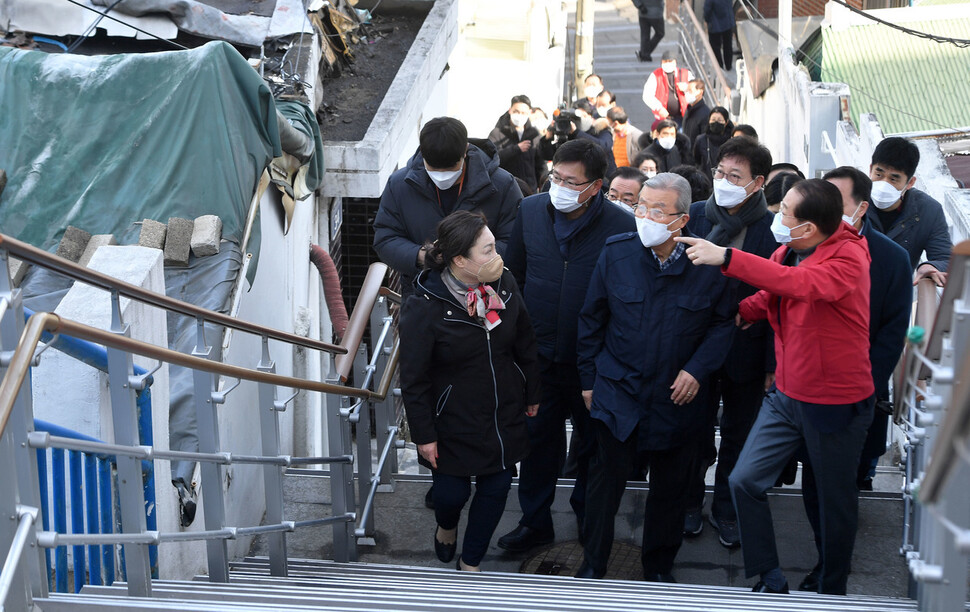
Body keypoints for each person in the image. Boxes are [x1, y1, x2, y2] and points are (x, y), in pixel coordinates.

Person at [677, 178, 875, 595]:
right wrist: (740, 311)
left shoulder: (848, 257)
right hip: (786, 395)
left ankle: (831, 584)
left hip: (834, 401)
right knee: (744, 480)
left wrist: (728, 257)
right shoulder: (790, 249)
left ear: (811, 227)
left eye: (786, 212)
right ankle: (768, 575)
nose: (778, 217)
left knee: (834, 502)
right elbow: (774, 292)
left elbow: (803, 285)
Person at [574, 173, 735, 580]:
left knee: (670, 491)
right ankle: (593, 564)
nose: (643, 215)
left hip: (676, 399)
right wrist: (589, 381)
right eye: (641, 206)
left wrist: (697, 370)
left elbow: (722, 326)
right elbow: (592, 319)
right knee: (603, 486)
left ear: (681, 219)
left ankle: (659, 570)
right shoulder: (617, 253)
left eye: (656, 210)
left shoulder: (708, 263)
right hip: (618, 392)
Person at [499, 139, 635, 553]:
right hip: (538, 356)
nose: (559, 185)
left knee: (592, 446)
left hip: (593, 362)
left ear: (595, 187)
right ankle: (535, 522)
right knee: (538, 442)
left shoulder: (621, 226)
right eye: (555, 176)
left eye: (570, 181)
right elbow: (515, 276)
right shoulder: (530, 210)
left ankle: (587, 519)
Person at [786, 167, 912, 593]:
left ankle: (834, 572)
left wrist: (867, 388)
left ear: (860, 208)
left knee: (843, 485)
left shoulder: (890, 257)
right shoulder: (800, 246)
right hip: (806, 388)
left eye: (834, 204)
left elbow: (891, 333)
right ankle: (825, 559)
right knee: (814, 479)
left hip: (857, 394)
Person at [399, 210, 541, 572]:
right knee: (451, 495)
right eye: (488, 250)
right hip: (453, 421)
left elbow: (524, 340)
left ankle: (471, 562)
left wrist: (532, 392)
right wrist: (424, 435)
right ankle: (446, 526)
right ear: (460, 260)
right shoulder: (426, 306)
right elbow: (414, 378)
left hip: (503, 411)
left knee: (495, 491)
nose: (498, 257)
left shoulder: (504, 282)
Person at [683, 136, 776, 547]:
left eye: (734, 176)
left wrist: (773, 362)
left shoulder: (771, 229)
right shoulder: (695, 217)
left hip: (747, 345)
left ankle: (726, 508)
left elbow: (779, 295)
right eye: (720, 172)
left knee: (739, 432)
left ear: (758, 183)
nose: (723, 181)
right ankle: (688, 502)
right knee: (693, 429)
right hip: (697, 344)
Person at [373, 117, 522, 299]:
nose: (442, 176)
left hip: (485, 296)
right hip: (423, 296)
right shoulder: (400, 185)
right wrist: (421, 256)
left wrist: (471, 260)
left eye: (451, 168)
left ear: (465, 151)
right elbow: (386, 238)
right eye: (433, 168)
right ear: (422, 154)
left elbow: (515, 241)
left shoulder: (501, 185)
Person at [868, 136, 952, 286]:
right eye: (879, 174)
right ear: (870, 170)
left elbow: (945, 258)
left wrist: (930, 266)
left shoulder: (928, 211)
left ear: (910, 183)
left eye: (894, 179)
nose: (884, 183)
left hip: (894, 299)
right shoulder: (852, 199)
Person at [488, 95, 546, 192]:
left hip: (529, 189)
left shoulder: (534, 134)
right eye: (516, 111)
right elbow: (492, 158)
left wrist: (543, 182)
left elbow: (540, 163)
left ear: (529, 113)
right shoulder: (497, 133)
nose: (519, 115)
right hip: (506, 189)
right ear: (510, 110)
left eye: (523, 113)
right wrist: (516, 149)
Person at [642, 51, 694, 125]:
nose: (667, 63)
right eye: (665, 61)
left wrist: (686, 88)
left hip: (683, 117)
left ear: (675, 62)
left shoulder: (686, 74)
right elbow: (647, 95)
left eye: (670, 61)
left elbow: (696, 90)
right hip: (663, 118)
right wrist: (659, 108)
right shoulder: (655, 75)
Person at [693, 107, 733, 180]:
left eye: (720, 120)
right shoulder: (701, 140)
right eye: (713, 120)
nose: (716, 122)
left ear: (726, 122)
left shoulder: (731, 140)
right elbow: (696, 161)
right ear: (709, 121)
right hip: (706, 180)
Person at [704, 0, 735, 70]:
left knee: (715, 47)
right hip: (728, 22)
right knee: (728, 45)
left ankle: (719, 66)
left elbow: (707, 9)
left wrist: (707, 20)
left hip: (715, 23)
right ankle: (728, 65)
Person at [682, 80, 711, 144]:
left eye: (690, 91)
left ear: (700, 92)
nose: (687, 93)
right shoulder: (688, 109)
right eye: (686, 91)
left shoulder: (705, 113)